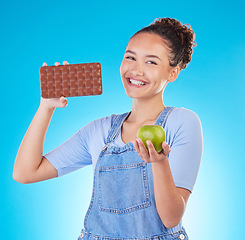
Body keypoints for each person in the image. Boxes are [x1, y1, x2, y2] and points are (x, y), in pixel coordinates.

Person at [13, 18, 203, 240]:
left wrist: (159, 162)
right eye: (130, 57)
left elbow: (171, 219)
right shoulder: (99, 131)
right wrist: (46, 106)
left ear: (172, 73)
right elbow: (25, 173)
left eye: (151, 62)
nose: (136, 70)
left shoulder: (181, 122)